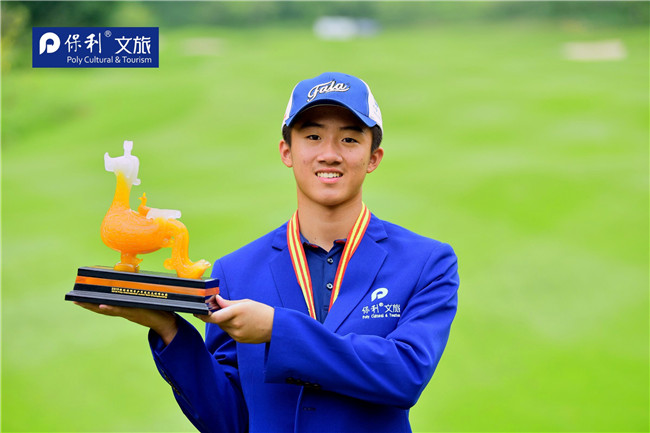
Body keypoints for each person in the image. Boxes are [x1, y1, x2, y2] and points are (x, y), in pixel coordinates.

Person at [75, 72, 459, 433]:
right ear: (286, 151)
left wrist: (277, 329)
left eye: (349, 139)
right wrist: (169, 329)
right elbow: (230, 421)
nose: (329, 154)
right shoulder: (236, 271)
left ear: (373, 157)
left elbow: (405, 374)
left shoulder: (426, 263)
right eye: (312, 136)